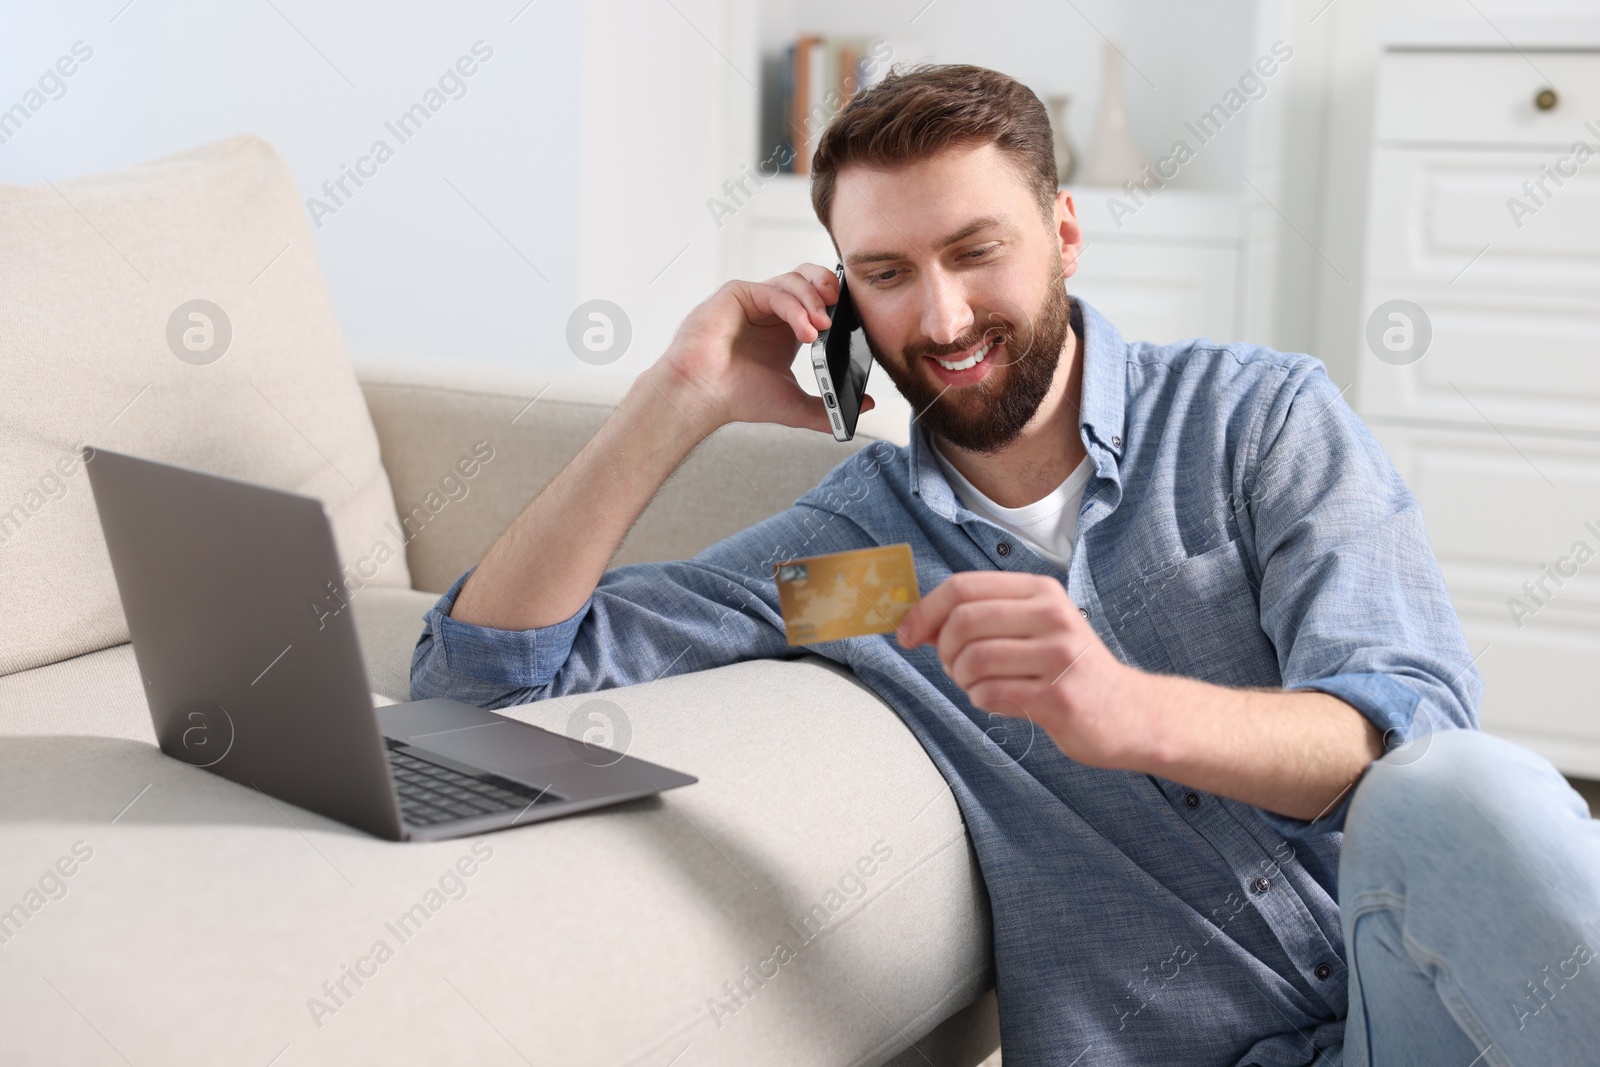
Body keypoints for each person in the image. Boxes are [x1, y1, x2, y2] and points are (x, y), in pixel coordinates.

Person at [411, 64, 1600, 1066]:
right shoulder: (870, 569)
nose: (939, 318)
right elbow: (487, 683)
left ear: (1064, 232)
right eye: (885, 274)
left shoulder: (1252, 427)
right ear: (841, 300)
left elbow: (1401, 733)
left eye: (976, 251)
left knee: (1465, 789)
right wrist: (673, 401)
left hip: (1423, 1022)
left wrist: (1133, 714)